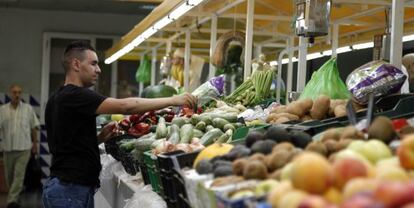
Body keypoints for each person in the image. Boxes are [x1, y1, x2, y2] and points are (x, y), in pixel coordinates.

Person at [41, 40, 197, 208]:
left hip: (68, 187)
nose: (98, 70)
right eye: (93, 64)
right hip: (70, 191)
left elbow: (67, 144)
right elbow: (126, 106)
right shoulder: (76, 95)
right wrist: (173, 100)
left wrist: (100, 138)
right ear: (76, 64)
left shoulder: (56, 98)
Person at [0, 84, 40, 208]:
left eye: (19, 92)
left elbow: (34, 127)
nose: (17, 95)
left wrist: (35, 144)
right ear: (10, 94)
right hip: (7, 148)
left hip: (24, 148)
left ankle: (11, 200)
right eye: (14, 92)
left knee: (19, 174)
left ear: (21, 94)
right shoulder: (3, 110)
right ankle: (15, 197)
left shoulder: (28, 109)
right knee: (9, 176)